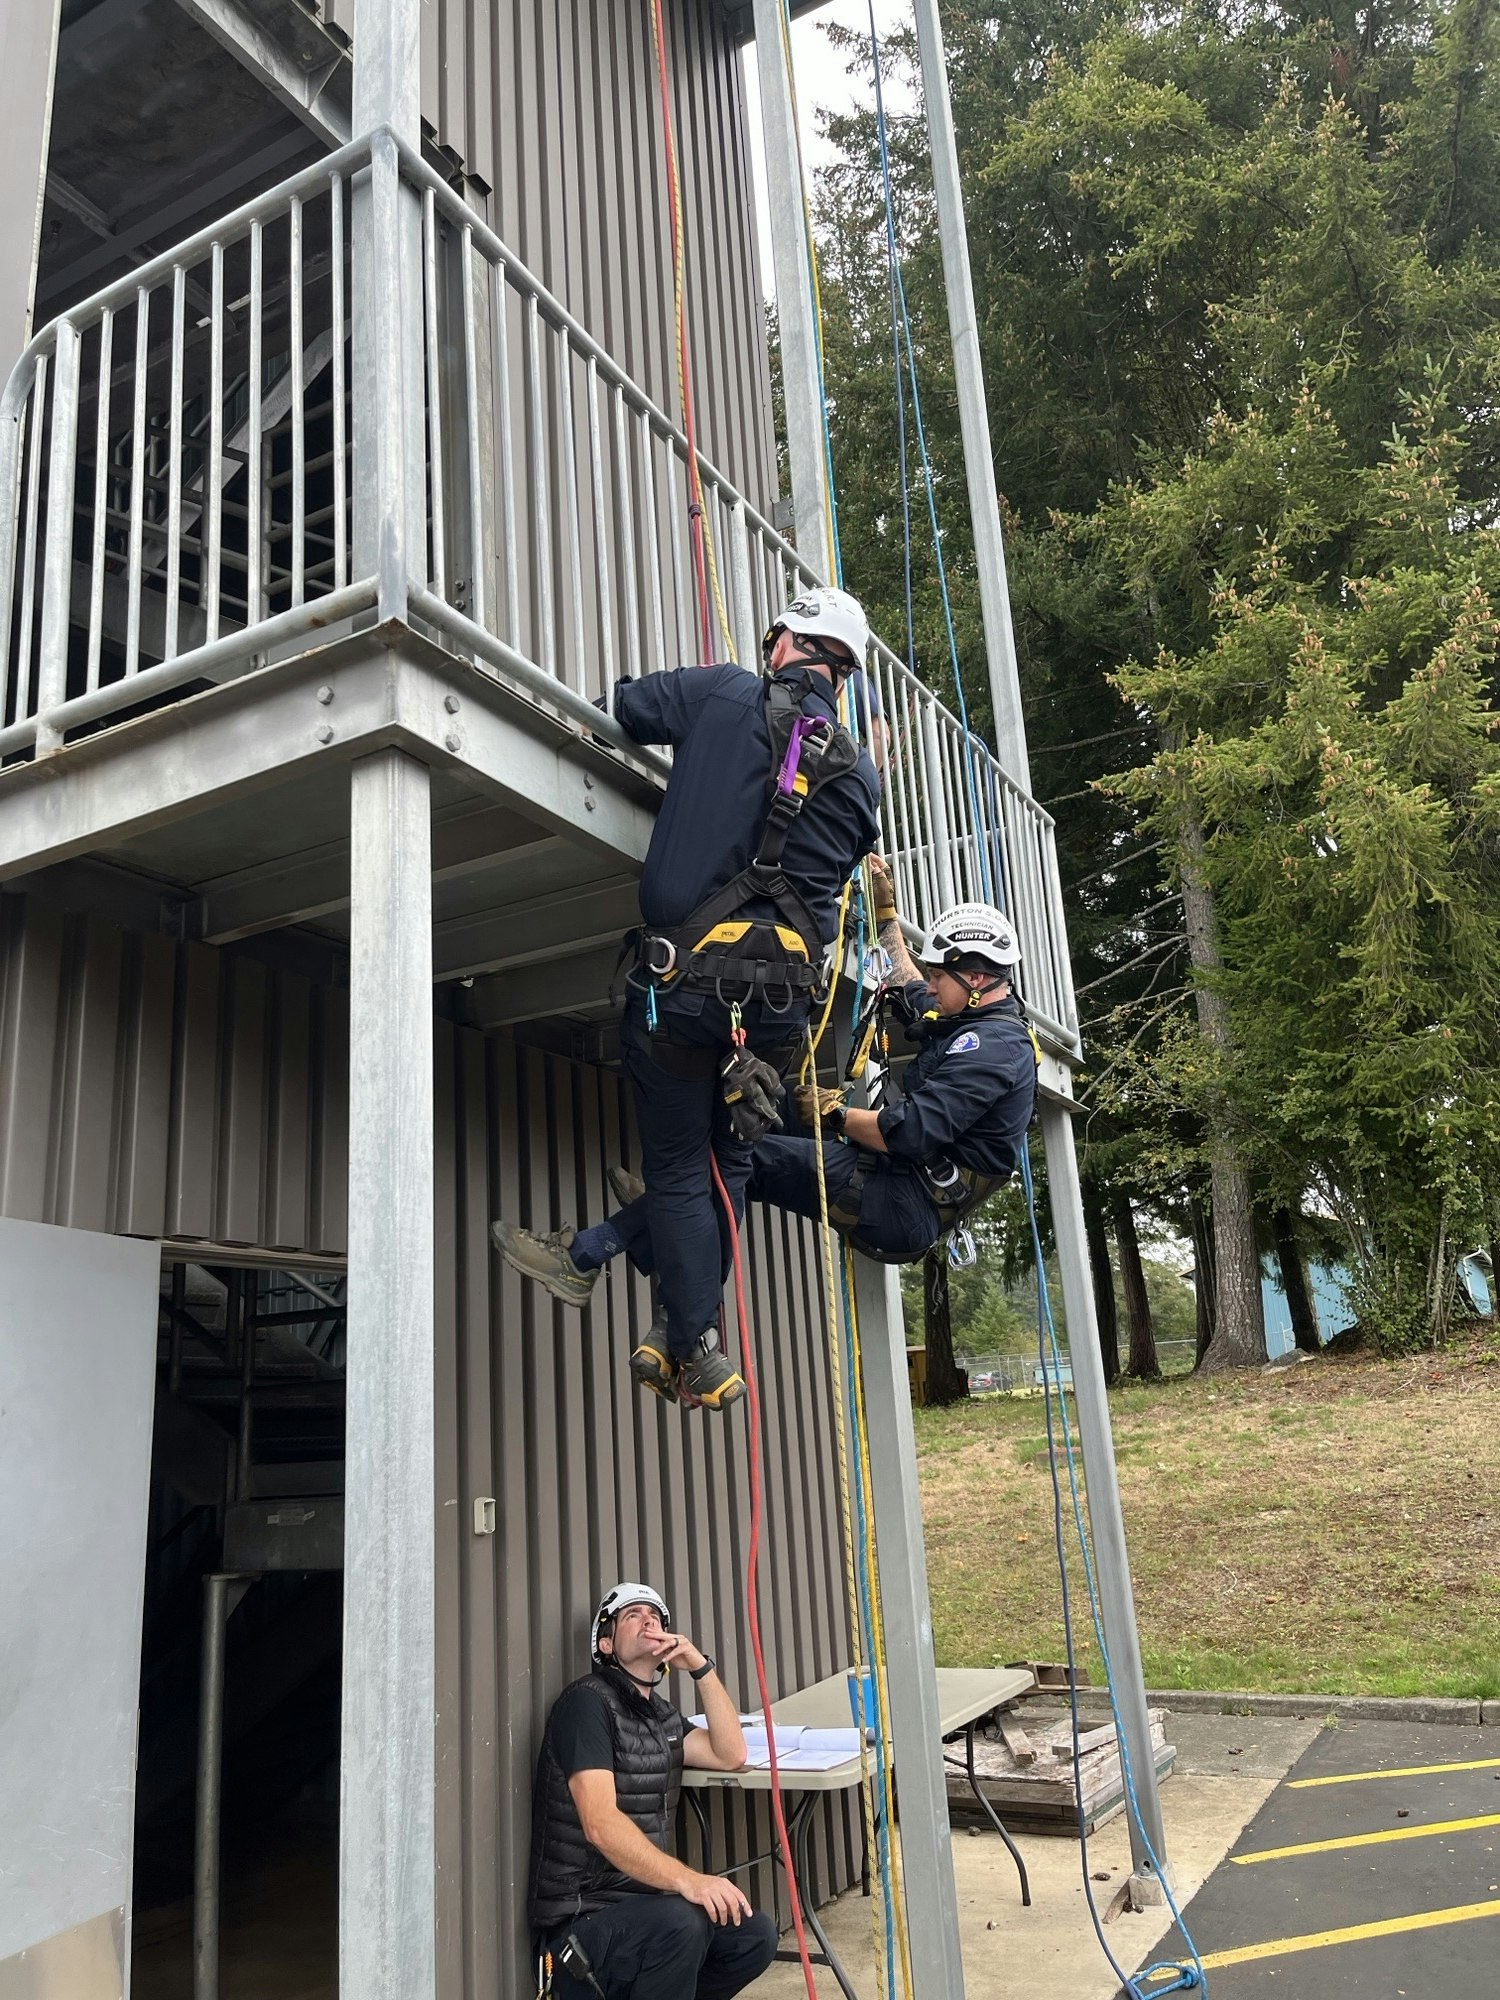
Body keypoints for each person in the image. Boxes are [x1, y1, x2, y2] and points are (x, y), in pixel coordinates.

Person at [493, 589, 881, 1411]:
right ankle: (668, 1330)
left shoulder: (721, 693)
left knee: (676, 1166)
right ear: (840, 678)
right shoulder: (860, 775)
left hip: (683, 989)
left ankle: (694, 1342)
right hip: (780, 1010)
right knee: (727, 1161)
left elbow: (627, 707)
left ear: (780, 643)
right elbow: (828, 878)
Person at [581, 866, 1038, 1271]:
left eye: (940, 976)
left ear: (976, 979)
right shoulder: (968, 1016)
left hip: (906, 1204)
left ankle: (599, 1246)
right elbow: (907, 983)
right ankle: (671, 1204)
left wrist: (835, 1115)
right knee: (767, 1098)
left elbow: (911, 1131)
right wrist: (886, 916)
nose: (932, 986)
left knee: (748, 1160)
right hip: (893, 1173)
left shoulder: (993, 1049)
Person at [529, 1582, 778, 2000]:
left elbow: (731, 1753)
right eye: (632, 1615)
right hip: (581, 1926)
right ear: (606, 1644)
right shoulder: (586, 1704)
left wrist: (700, 1667)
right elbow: (600, 1824)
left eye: (656, 1616)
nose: (649, 1620)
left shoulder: (663, 1719)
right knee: (684, 1921)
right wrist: (688, 1880)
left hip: (645, 1917)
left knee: (753, 1935)